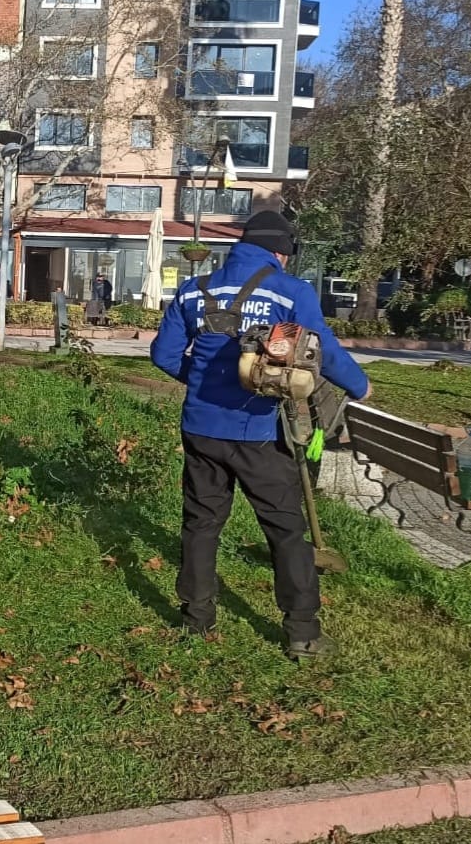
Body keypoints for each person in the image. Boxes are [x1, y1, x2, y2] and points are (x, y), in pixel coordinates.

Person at [150, 210, 370, 661]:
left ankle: (196, 619)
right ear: (281, 251)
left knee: (201, 523)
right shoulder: (291, 291)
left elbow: (164, 354)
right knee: (286, 530)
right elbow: (321, 350)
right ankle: (303, 633)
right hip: (260, 431)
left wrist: (201, 381)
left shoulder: (196, 289)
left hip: (200, 428)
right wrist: (361, 386)